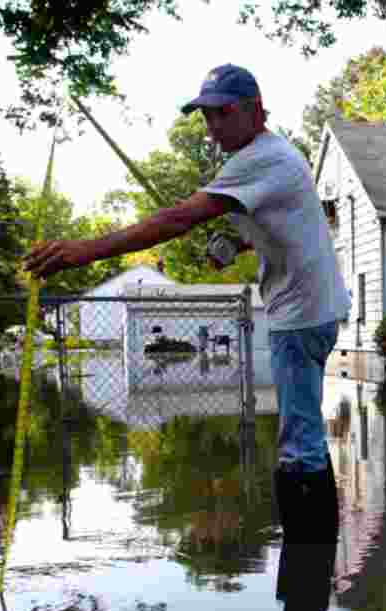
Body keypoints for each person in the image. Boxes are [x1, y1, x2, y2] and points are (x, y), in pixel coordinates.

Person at [22, 63, 351, 546]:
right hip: (311, 308)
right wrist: (238, 246)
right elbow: (284, 224)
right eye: (206, 115)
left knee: (300, 448)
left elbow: (178, 219)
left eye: (223, 112)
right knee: (300, 438)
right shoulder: (274, 154)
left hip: (299, 315)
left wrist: (85, 251)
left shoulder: (261, 159)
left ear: (255, 111)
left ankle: (309, 570)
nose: (213, 124)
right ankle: (308, 575)